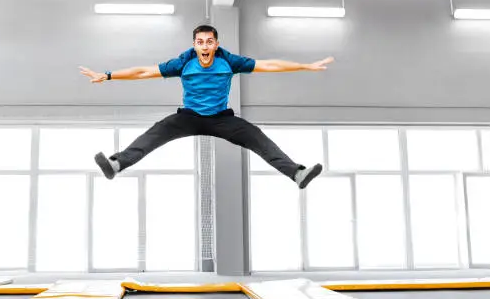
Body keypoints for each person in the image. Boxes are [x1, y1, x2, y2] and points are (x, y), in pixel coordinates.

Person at [79, 24, 333, 189]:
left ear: (216, 44)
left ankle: (297, 173)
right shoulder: (183, 62)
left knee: (256, 136)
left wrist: (305, 65)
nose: (205, 47)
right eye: (200, 42)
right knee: (156, 132)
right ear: (195, 45)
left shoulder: (229, 61)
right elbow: (143, 71)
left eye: (209, 42)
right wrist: (109, 75)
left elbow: (269, 65)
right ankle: (116, 164)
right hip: (189, 117)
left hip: (222, 119)